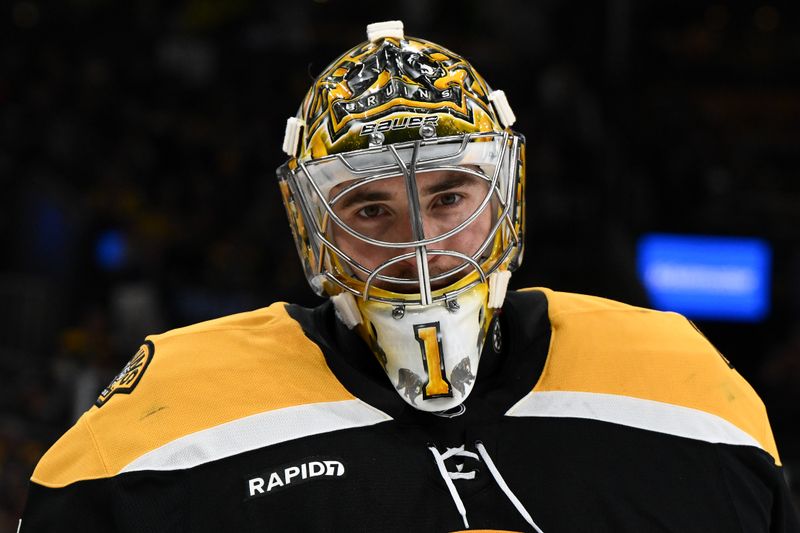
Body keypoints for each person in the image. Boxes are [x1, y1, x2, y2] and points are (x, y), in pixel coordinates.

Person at [20, 20, 799, 533]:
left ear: (506, 199)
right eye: (370, 207)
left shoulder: (690, 397)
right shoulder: (161, 431)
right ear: (311, 225)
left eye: (450, 195)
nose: (420, 244)